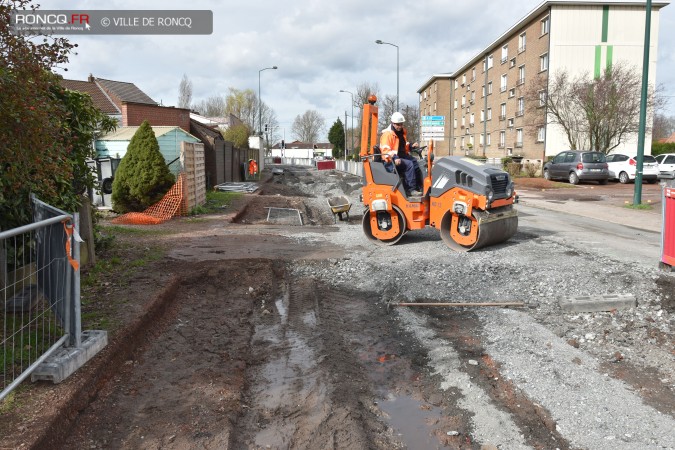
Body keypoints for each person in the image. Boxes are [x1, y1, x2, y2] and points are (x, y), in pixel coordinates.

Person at [380, 112, 422, 196]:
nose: (400, 126)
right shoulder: (387, 135)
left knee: (416, 162)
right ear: (393, 123)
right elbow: (385, 150)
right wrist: (395, 158)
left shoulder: (401, 133)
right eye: (398, 124)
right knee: (409, 164)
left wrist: (411, 146)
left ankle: (419, 186)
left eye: (401, 124)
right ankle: (410, 189)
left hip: (400, 156)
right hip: (390, 160)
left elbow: (403, 146)